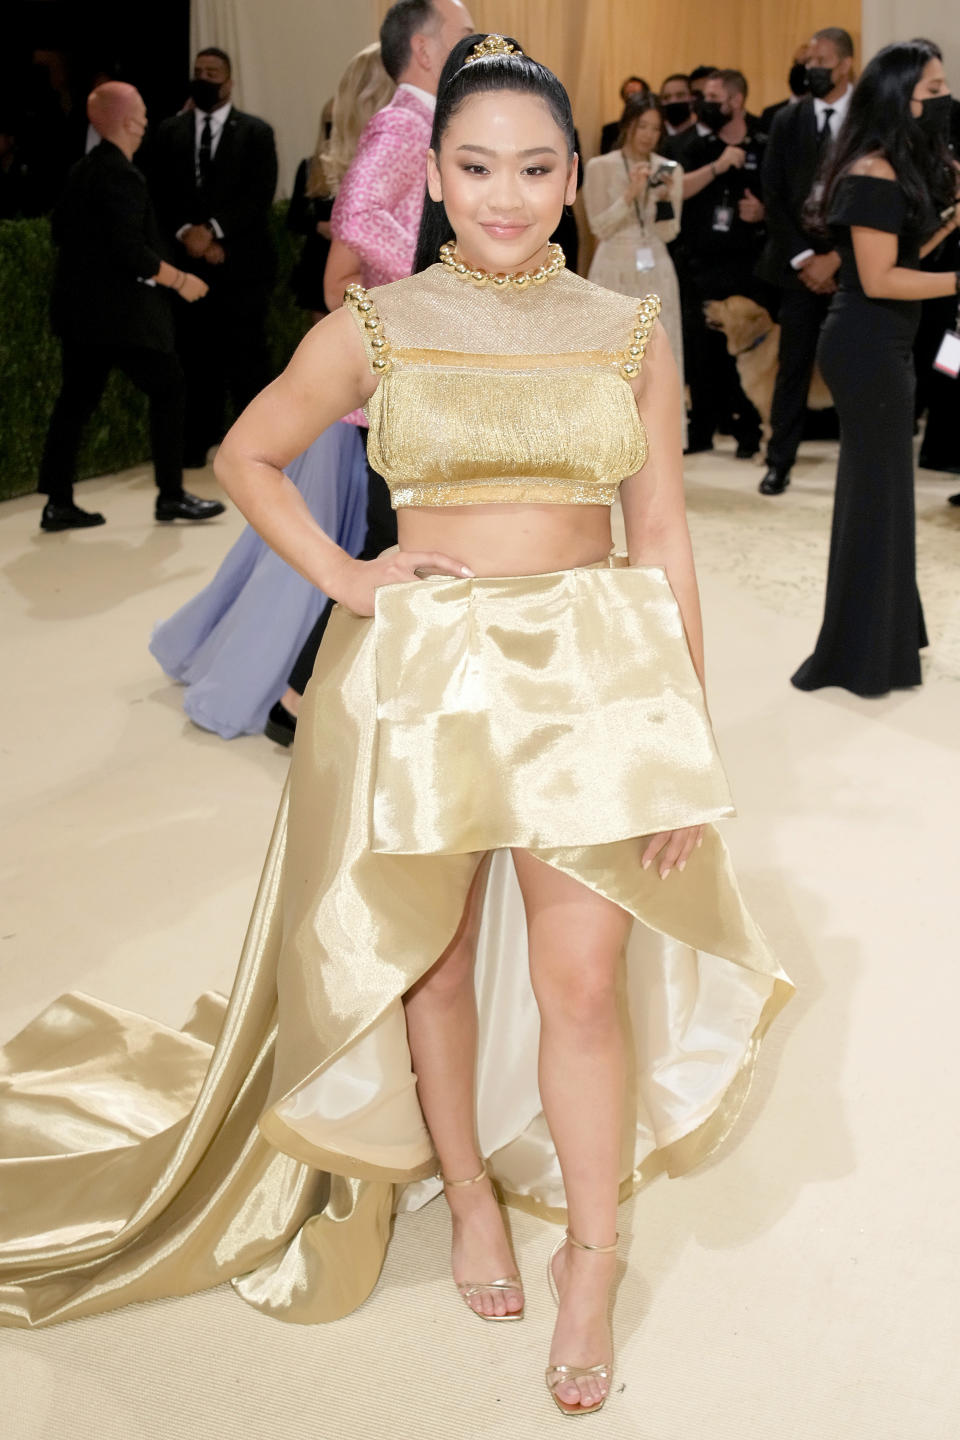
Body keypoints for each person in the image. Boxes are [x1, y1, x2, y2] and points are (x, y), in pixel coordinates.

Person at [0, 35, 793, 1423]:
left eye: (535, 168)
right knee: (427, 963)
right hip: (421, 677)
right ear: (430, 173)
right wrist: (347, 576)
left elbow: (660, 528)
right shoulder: (379, 324)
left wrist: (687, 733)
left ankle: (595, 1261)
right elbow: (247, 453)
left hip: (592, 682)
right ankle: (471, 1198)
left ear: (572, 182)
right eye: (475, 166)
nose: (503, 194)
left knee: (583, 983)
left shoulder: (625, 332)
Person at [149, 42, 397, 739]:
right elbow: (338, 283)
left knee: (331, 546)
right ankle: (294, 693)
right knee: (345, 550)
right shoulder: (379, 170)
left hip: (358, 392)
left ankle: (304, 688)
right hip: (361, 393)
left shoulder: (372, 166)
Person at [265, 0, 474, 746]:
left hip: (418, 369)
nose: (473, 37)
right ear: (423, 49)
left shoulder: (429, 120)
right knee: (395, 547)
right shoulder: (404, 120)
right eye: (462, 29)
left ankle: (312, 698)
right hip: (401, 375)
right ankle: (299, 700)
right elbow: (354, 217)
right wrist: (428, 271)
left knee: (400, 543)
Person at [792, 39, 960, 697]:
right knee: (877, 497)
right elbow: (882, 279)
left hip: (880, 344)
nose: (942, 100)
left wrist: (949, 222)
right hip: (866, 348)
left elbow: (902, 248)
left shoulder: (890, 167)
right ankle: (860, 653)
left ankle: (886, 635)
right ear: (898, 100)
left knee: (884, 497)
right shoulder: (870, 171)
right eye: (931, 90)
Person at [37, 82, 224, 532]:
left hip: (81, 316)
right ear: (127, 120)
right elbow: (130, 251)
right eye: (141, 113)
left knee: (75, 404)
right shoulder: (121, 174)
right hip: (119, 318)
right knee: (170, 389)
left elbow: (62, 231)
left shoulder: (83, 169)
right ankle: (171, 497)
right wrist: (181, 281)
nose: (146, 121)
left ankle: (58, 502)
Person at [145, 47, 278, 469]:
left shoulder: (256, 132)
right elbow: (160, 194)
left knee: (247, 360)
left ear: (230, 81)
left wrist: (216, 231)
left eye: (213, 72)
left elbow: (258, 195)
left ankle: (256, 451)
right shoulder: (170, 131)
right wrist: (190, 235)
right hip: (188, 268)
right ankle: (194, 445)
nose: (203, 78)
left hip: (243, 268)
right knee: (194, 360)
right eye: (198, 71)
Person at [756, 27, 855, 497]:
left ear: (845, 66)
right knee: (792, 366)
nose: (812, 69)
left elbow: (880, 200)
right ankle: (779, 462)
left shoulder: (869, 122)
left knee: (856, 369)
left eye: (822, 61)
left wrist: (837, 258)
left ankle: (863, 470)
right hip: (797, 271)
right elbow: (773, 195)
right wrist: (804, 258)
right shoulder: (788, 121)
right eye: (808, 60)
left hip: (857, 268)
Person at [676, 69, 769, 456]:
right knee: (702, 351)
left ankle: (748, 429)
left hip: (749, 264)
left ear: (736, 101)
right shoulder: (697, 146)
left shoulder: (764, 140)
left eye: (713, 97)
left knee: (746, 348)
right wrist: (718, 165)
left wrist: (762, 212)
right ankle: (702, 429)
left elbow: (784, 194)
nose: (704, 103)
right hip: (702, 262)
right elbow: (675, 189)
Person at [584, 94, 685, 408]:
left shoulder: (669, 169)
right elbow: (598, 227)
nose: (649, 135)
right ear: (628, 125)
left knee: (657, 355)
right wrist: (630, 195)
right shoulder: (600, 166)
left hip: (655, 267)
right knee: (610, 354)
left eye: (656, 129)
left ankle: (661, 435)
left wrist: (665, 200)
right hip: (613, 266)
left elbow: (670, 233)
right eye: (642, 126)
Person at [758, 42, 814, 135]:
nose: (799, 69)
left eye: (806, 63)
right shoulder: (771, 115)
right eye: (796, 63)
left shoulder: (824, 114)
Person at [599, 75, 650, 154]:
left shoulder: (654, 128)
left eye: (635, 94)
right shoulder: (610, 130)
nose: (631, 98)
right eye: (628, 94)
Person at [658, 73, 698, 153]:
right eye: (666, 97)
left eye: (680, 95)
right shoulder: (656, 137)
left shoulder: (702, 137)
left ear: (692, 99)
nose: (673, 101)